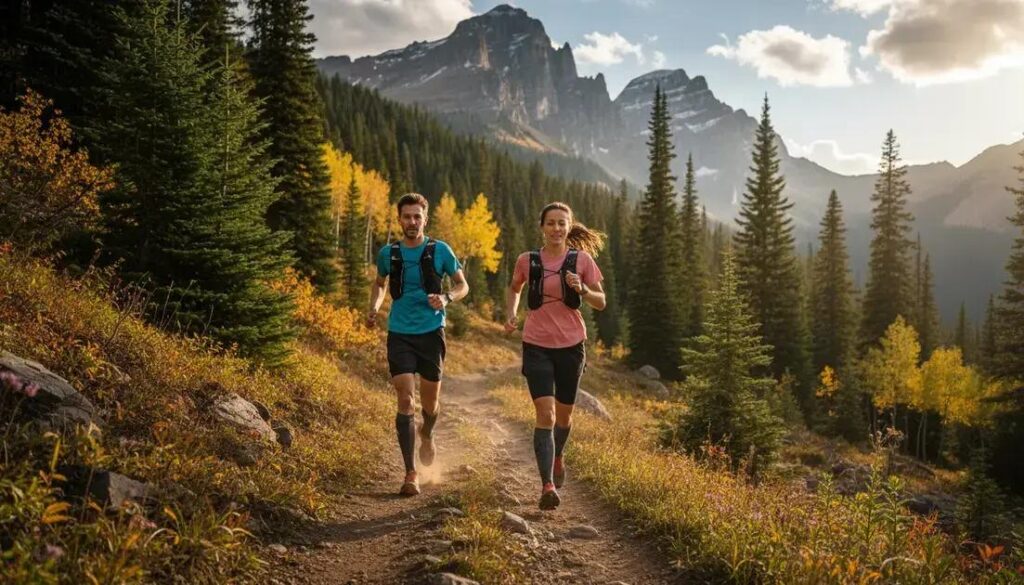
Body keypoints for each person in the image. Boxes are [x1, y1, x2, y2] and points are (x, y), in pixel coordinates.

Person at [504, 202, 606, 510]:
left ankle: (558, 455)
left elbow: (601, 301)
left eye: (562, 223)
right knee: (545, 415)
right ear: (542, 227)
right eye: (551, 223)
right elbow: (514, 288)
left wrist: (583, 291)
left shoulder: (582, 260)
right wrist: (510, 312)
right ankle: (547, 484)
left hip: (572, 346)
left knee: (564, 417)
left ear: (569, 226)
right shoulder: (528, 260)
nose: (556, 228)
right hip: (536, 344)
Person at [368, 193, 468, 496]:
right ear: (399, 219)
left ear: (425, 219)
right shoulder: (389, 253)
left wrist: (447, 297)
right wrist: (374, 307)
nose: (412, 222)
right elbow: (380, 283)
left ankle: (428, 433)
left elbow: (463, 285)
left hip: (431, 333)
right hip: (399, 332)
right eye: (407, 217)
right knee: (405, 401)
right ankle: (410, 472)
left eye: (417, 217)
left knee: (429, 405)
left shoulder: (440, 251)